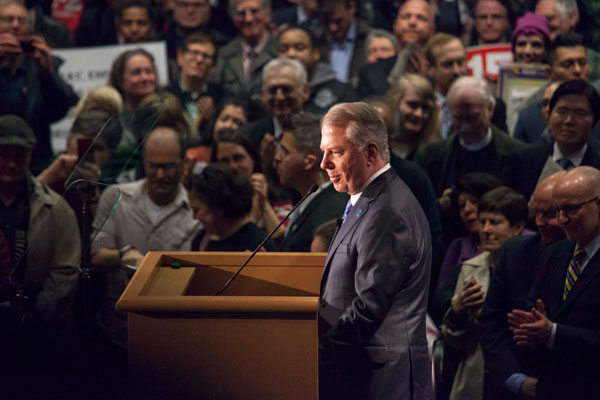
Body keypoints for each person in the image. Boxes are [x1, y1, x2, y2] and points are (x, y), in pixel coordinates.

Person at [318, 102, 431, 399]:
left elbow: (369, 306)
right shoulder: (367, 200)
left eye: (336, 152)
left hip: (383, 380)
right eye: (324, 151)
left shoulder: (387, 211)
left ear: (370, 153)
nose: (324, 163)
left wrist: (318, 352)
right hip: (362, 374)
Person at [91, 126, 200, 348]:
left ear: (184, 165)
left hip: (173, 337)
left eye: (168, 167)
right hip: (116, 332)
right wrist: (123, 255)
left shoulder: (196, 212)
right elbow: (96, 256)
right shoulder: (115, 197)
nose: (160, 175)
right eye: (154, 166)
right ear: (144, 163)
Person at [509, 166, 600, 399]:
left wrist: (553, 333)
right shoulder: (554, 253)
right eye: (557, 210)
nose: (561, 219)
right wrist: (530, 328)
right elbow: (535, 310)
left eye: (570, 209)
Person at [479, 172, 566, 400]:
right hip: (513, 385)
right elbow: (491, 323)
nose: (538, 222)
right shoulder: (515, 252)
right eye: (536, 212)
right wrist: (517, 380)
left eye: (550, 214)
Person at [440, 186, 527, 400]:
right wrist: (457, 311)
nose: (485, 230)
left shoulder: (533, 266)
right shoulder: (471, 268)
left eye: (495, 222)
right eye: (483, 222)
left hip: (520, 372)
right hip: (477, 373)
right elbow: (454, 341)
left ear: (518, 227)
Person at [0, 115, 80, 326]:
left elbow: (66, 271)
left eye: (19, 156)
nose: (11, 163)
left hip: (37, 327)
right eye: (4, 154)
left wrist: (38, 308)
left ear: (30, 156)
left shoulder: (56, 208)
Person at [0, 0, 77, 174]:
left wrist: (47, 74)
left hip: (35, 160)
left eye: (21, 20)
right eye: (8, 19)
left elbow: (61, 109)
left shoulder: (39, 64)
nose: (15, 25)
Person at [414, 76, 522, 197]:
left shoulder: (518, 156)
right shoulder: (429, 156)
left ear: (490, 108)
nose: (465, 127)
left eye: (473, 118)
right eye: (458, 118)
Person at [504, 79, 600, 201]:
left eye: (580, 113)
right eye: (562, 112)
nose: (568, 121)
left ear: (594, 122)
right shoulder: (522, 160)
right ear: (548, 116)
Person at [273, 112, 348, 252]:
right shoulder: (310, 200)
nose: (277, 157)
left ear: (309, 162)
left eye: (284, 152)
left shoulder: (332, 211)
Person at [212, 128, 292, 240]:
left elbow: (284, 244)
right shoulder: (212, 203)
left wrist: (264, 203)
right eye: (224, 161)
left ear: (253, 159)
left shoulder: (278, 196)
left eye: (238, 158)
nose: (233, 166)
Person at [423, 33, 507, 138]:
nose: (457, 71)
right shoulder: (421, 105)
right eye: (448, 65)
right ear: (429, 68)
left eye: (460, 62)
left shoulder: (491, 105)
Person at [356, 0, 435, 98]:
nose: (412, 22)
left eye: (421, 18)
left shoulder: (441, 71)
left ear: (432, 29)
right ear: (395, 25)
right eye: (406, 16)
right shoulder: (371, 74)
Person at [189, 164, 276, 251]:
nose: (194, 217)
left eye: (197, 210)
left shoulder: (258, 243)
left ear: (218, 208)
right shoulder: (200, 240)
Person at [276, 25, 358, 115]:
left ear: (315, 53)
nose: (291, 54)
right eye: (283, 49)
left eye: (299, 47)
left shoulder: (342, 92)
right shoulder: (269, 93)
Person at [211, 0, 276, 99]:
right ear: (233, 19)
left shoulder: (280, 51)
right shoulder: (224, 54)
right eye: (241, 13)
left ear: (268, 15)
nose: (248, 19)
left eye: (254, 11)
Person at [166, 33, 223, 135]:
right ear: (180, 57)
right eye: (194, 53)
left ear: (213, 67)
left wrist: (209, 121)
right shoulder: (165, 96)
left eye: (205, 56)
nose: (199, 60)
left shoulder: (220, 97)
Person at [385, 73, 439, 160]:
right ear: (395, 102)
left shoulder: (433, 154)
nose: (419, 114)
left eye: (425, 108)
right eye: (412, 105)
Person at [156, 0, 230, 61]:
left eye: (197, 5)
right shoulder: (158, 43)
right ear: (172, 6)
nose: (190, 10)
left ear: (209, 8)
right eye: (184, 4)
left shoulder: (225, 46)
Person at [319, 0, 371, 86]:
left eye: (338, 21)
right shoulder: (317, 40)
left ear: (351, 8)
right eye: (327, 21)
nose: (332, 28)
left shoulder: (370, 39)